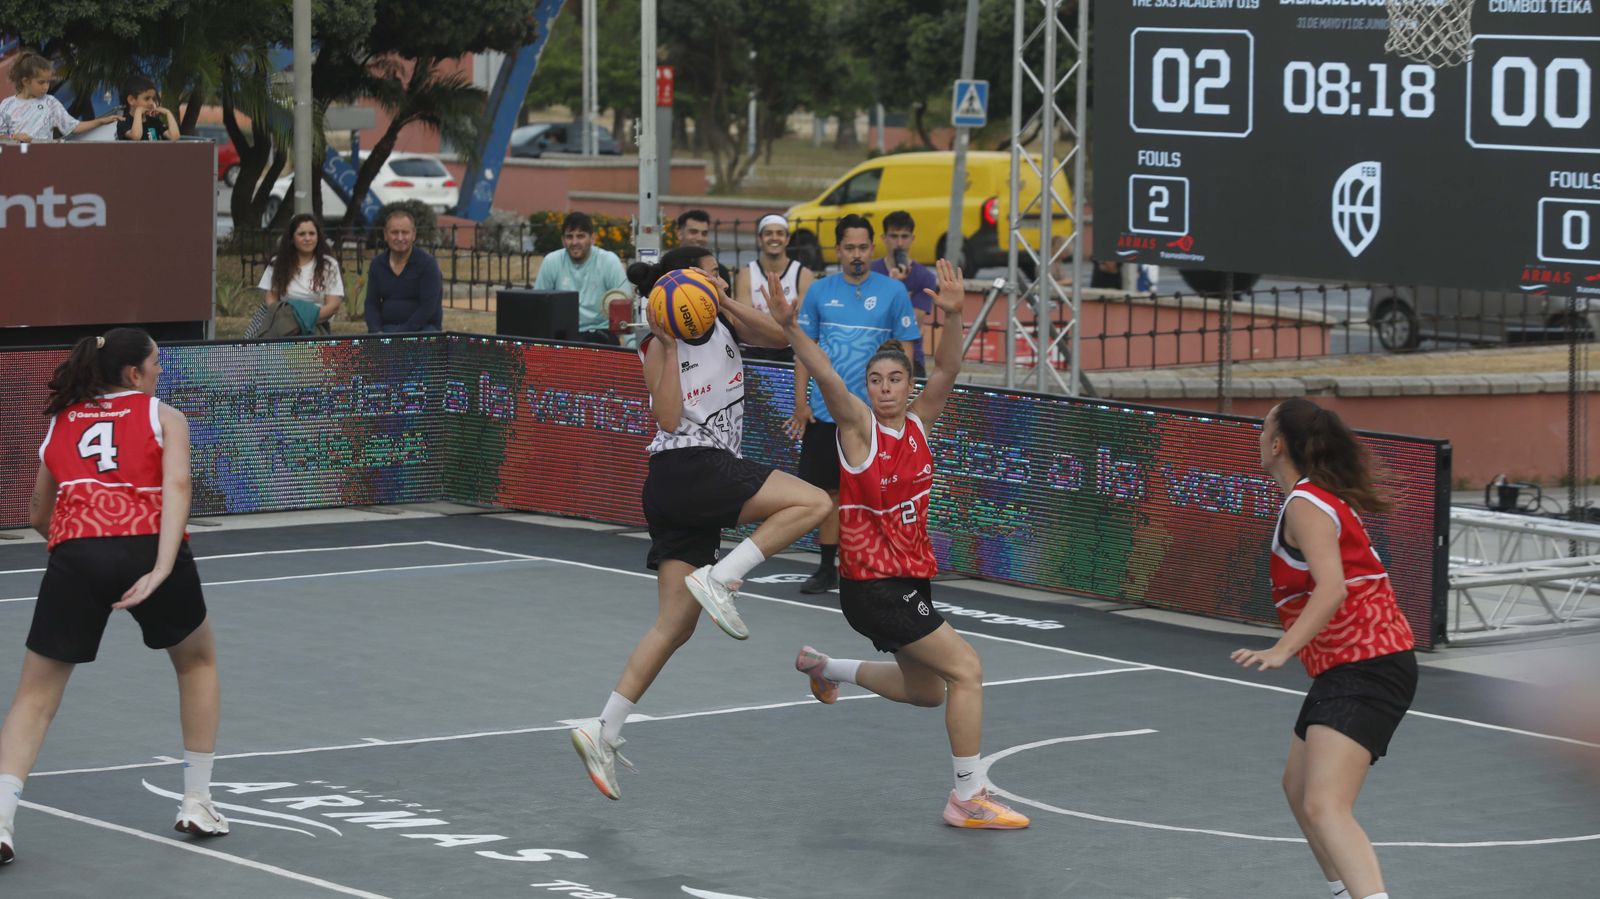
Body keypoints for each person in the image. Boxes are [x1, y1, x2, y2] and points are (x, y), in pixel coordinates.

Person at [769, 258, 1030, 830]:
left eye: (895, 380)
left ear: (909, 386)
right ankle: (967, 797)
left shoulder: (918, 425)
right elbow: (826, 375)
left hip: (909, 580)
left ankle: (826, 668)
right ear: (866, 387)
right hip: (873, 585)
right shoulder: (857, 429)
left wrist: (954, 315)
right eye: (876, 380)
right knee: (967, 670)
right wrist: (791, 328)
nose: (885, 388)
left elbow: (949, 367)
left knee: (927, 692)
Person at [570, 247, 830, 800]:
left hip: (677, 487)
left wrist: (725, 301)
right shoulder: (656, 342)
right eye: (710, 272)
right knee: (812, 503)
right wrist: (665, 342)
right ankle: (724, 577)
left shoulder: (723, 322)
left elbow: (780, 339)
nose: (719, 277)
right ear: (683, 279)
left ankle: (603, 729)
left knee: (675, 625)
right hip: (691, 466)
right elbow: (667, 418)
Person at [0, 329, 227, 867]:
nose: (159, 371)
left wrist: (82, 548)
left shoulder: (61, 420)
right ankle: (197, 801)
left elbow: (38, 514)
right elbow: (177, 488)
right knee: (197, 662)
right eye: (156, 363)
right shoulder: (164, 416)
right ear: (134, 373)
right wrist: (162, 567)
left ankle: (1, 819)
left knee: (35, 696)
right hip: (148, 546)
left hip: (78, 550)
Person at [1232, 398, 1417, 899]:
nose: (1258, 437)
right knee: (1298, 789)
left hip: (1369, 666)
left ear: (1277, 444)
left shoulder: (1306, 504)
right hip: (1349, 667)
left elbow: (1332, 588)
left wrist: (1282, 649)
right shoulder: (1316, 498)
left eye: (1263, 428)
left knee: (1324, 804)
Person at [789, 214, 920, 594]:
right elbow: (804, 350)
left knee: (877, 494)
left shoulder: (894, 292)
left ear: (873, 248)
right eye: (850, 248)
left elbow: (906, 350)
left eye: (863, 247)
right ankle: (826, 568)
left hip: (875, 417)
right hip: (826, 413)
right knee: (828, 493)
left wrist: (901, 403)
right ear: (837, 250)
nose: (857, 254)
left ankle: (878, 566)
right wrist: (801, 402)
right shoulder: (819, 291)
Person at [533, 211, 629, 345]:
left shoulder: (609, 261)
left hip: (600, 332)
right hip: (562, 334)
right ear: (563, 240)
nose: (574, 242)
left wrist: (632, 348)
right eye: (569, 236)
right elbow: (538, 307)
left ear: (593, 238)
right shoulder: (551, 261)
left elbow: (625, 307)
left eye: (580, 236)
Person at [247, 214, 345, 338]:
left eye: (312, 234)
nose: (307, 238)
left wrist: (302, 321)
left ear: (318, 237)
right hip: (281, 325)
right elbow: (271, 299)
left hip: (316, 326)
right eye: (302, 234)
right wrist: (286, 321)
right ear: (292, 238)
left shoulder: (329, 265)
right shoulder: (277, 263)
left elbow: (333, 305)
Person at [732, 213, 812, 363]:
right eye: (768, 233)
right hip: (755, 348)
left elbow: (803, 323)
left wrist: (766, 324)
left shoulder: (803, 274)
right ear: (760, 239)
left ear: (787, 239)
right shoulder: (746, 273)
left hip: (790, 349)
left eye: (780, 233)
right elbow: (743, 321)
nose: (774, 238)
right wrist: (780, 326)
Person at [870, 211, 938, 378]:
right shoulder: (870, 273)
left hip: (911, 357)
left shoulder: (925, 277)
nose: (899, 243)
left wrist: (894, 290)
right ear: (884, 238)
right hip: (871, 353)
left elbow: (911, 324)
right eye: (894, 236)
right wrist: (901, 296)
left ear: (912, 239)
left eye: (904, 236)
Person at [0, 51, 119, 142]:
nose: (46, 87)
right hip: (15, 161)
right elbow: (1, 135)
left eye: (48, 82)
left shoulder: (50, 102)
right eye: (41, 82)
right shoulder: (7, 104)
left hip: (43, 160)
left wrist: (100, 121)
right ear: (26, 81)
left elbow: (74, 127)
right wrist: (14, 136)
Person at [364, 209, 443, 333]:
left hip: (423, 330)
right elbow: (371, 303)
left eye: (405, 232)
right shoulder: (377, 264)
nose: (400, 238)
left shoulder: (428, 264)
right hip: (387, 329)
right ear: (385, 234)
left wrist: (401, 335)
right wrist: (376, 332)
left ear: (413, 234)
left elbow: (428, 307)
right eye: (394, 232)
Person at [113, 75, 179, 143]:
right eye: (147, 98)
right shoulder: (124, 122)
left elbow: (174, 137)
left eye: (153, 99)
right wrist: (138, 112)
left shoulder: (154, 122)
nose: (151, 102)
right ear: (131, 100)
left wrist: (168, 113)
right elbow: (136, 136)